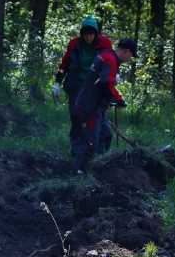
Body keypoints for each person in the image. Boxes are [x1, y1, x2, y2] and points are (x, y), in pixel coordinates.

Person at [51, 16, 113, 174]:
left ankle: (97, 160)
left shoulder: (105, 43)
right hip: (77, 88)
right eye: (85, 34)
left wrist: (113, 79)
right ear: (81, 34)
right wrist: (57, 82)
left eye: (92, 34)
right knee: (78, 124)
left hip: (96, 91)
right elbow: (65, 64)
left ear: (96, 34)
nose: (88, 37)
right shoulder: (74, 44)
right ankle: (77, 160)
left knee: (99, 125)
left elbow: (111, 62)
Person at [73, 38, 138, 172]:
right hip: (90, 108)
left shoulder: (105, 56)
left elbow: (103, 82)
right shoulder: (110, 60)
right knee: (90, 143)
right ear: (127, 51)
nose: (129, 58)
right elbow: (105, 85)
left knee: (106, 136)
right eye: (131, 55)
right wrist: (118, 99)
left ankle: (98, 166)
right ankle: (81, 173)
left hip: (97, 108)